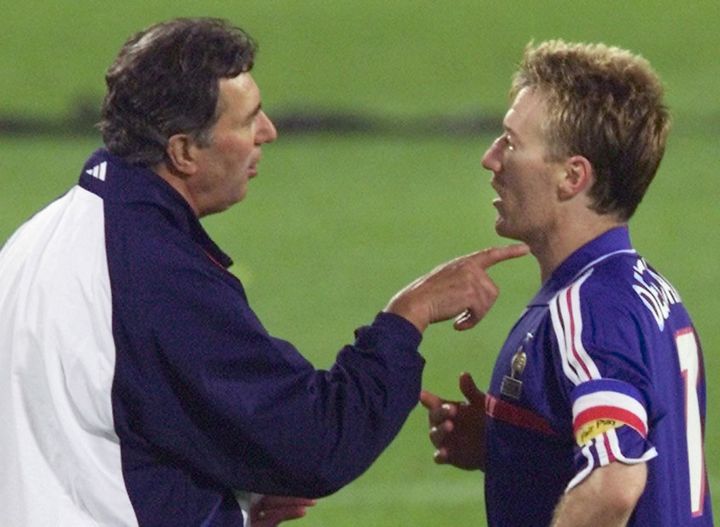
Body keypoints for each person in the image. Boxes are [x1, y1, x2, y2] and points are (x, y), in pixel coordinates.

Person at [0, 17, 528, 527]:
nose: (269, 133)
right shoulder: (151, 273)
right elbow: (317, 442)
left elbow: (97, 439)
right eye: (248, 119)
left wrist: (228, 512)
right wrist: (408, 316)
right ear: (183, 151)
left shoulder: (45, 236)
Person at [421, 40, 713, 526]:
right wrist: (515, 446)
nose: (491, 159)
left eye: (511, 142)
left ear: (572, 177)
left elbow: (616, 484)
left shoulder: (589, 308)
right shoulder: (645, 290)